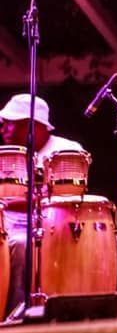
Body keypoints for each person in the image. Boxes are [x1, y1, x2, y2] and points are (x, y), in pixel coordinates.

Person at [1, 93, 85, 315]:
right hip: (10, 227)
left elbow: (67, 196)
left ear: (32, 125)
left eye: (9, 124)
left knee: (21, 245)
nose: (3, 130)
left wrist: (15, 202)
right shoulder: (7, 155)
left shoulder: (66, 149)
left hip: (56, 227)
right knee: (15, 243)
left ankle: (16, 316)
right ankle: (9, 314)